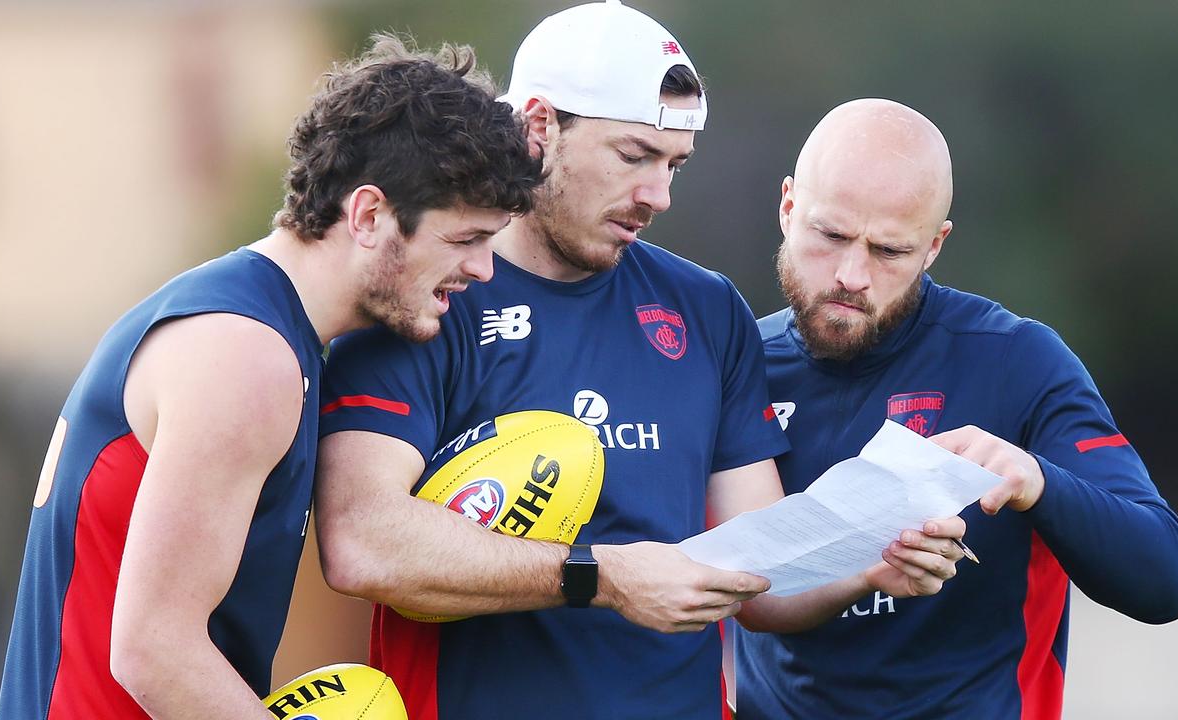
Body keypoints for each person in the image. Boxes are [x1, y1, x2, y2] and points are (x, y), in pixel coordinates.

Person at [315, 4, 967, 719]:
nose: (658, 195)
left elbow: (766, 575)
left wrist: (872, 565)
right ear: (538, 127)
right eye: (634, 156)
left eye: (674, 164)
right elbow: (363, 543)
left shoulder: (705, 308)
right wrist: (605, 578)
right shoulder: (420, 297)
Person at [0, 35, 541, 720]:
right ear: (369, 215)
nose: (485, 270)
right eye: (465, 240)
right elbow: (154, 650)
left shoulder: (247, 319)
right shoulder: (247, 357)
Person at [734, 98, 1178, 719]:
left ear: (934, 246)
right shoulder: (737, 362)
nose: (852, 275)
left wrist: (1037, 482)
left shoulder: (1016, 360)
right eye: (831, 235)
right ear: (789, 207)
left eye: (890, 251)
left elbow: (1166, 581)